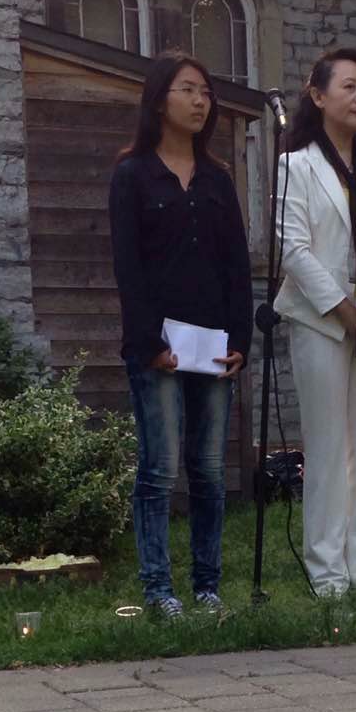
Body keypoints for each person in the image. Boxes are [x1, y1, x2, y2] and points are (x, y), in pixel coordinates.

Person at [109, 51, 252, 618]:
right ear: (159, 99)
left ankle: (207, 585)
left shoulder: (218, 179)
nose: (201, 101)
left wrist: (240, 337)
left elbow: (237, 267)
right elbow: (129, 268)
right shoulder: (133, 175)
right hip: (159, 347)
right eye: (189, 90)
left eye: (206, 92)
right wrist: (150, 343)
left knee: (210, 469)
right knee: (159, 467)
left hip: (214, 343)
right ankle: (158, 589)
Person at [274, 47, 356, 598]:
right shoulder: (294, 166)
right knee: (328, 446)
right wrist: (345, 312)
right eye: (348, 86)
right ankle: (327, 570)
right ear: (318, 94)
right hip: (322, 321)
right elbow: (294, 249)